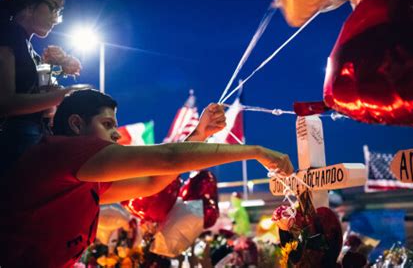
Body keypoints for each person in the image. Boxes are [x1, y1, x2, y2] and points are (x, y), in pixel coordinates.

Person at [0, 89, 293, 267]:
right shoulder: (62, 153)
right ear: (76, 124)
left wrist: (198, 136)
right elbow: (167, 158)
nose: (116, 133)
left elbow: (153, 181)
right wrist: (254, 151)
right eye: (107, 124)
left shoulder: (84, 178)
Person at [0, 0, 80, 173]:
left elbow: (37, 99)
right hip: (14, 144)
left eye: (59, 11)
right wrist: (63, 95)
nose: (56, 18)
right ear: (29, 4)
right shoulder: (6, 37)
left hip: (30, 137)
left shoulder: (25, 44)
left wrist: (57, 72)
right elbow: (5, 102)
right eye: (52, 7)